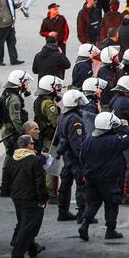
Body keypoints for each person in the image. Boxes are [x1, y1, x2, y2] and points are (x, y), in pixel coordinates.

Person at [78, 112, 129, 241]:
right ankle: (110, 230)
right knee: (112, 203)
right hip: (108, 179)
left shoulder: (88, 140)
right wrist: (125, 127)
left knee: (92, 203)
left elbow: (82, 158)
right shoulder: (112, 141)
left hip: (91, 178)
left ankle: (85, 224)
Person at [0, 134, 47, 258]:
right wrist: (43, 199)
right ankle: (17, 256)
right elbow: (39, 182)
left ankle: (32, 249)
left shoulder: (11, 159)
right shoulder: (34, 160)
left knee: (24, 223)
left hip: (17, 197)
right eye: (32, 143)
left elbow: (6, 179)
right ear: (29, 146)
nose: (33, 145)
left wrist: (7, 192)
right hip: (31, 199)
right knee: (29, 227)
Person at [0, 69, 33, 193]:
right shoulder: (14, 98)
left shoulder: (7, 93)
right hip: (11, 132)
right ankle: (6, 185)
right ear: (19, 82)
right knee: (12, 156)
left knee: (11, 156)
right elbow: (15, 118)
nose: (27, 84)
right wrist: (22, 133)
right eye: (25, 81)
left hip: (7, 129)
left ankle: (6, 185)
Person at [56, 89, 89, 223]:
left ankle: (62, 212)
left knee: (65, 184)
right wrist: (84, 159)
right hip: (76, 158)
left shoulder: (63, 116)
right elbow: (77, 143)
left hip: (67, 157)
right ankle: (82, 215)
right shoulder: (75, 119)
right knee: (82, 184)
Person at [109, 76, 129, 206]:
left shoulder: (114, 100)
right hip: (127, 138)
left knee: (121, 166)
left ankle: (119, 193)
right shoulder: (127, 102)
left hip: (116, 137)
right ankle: (128, 195)